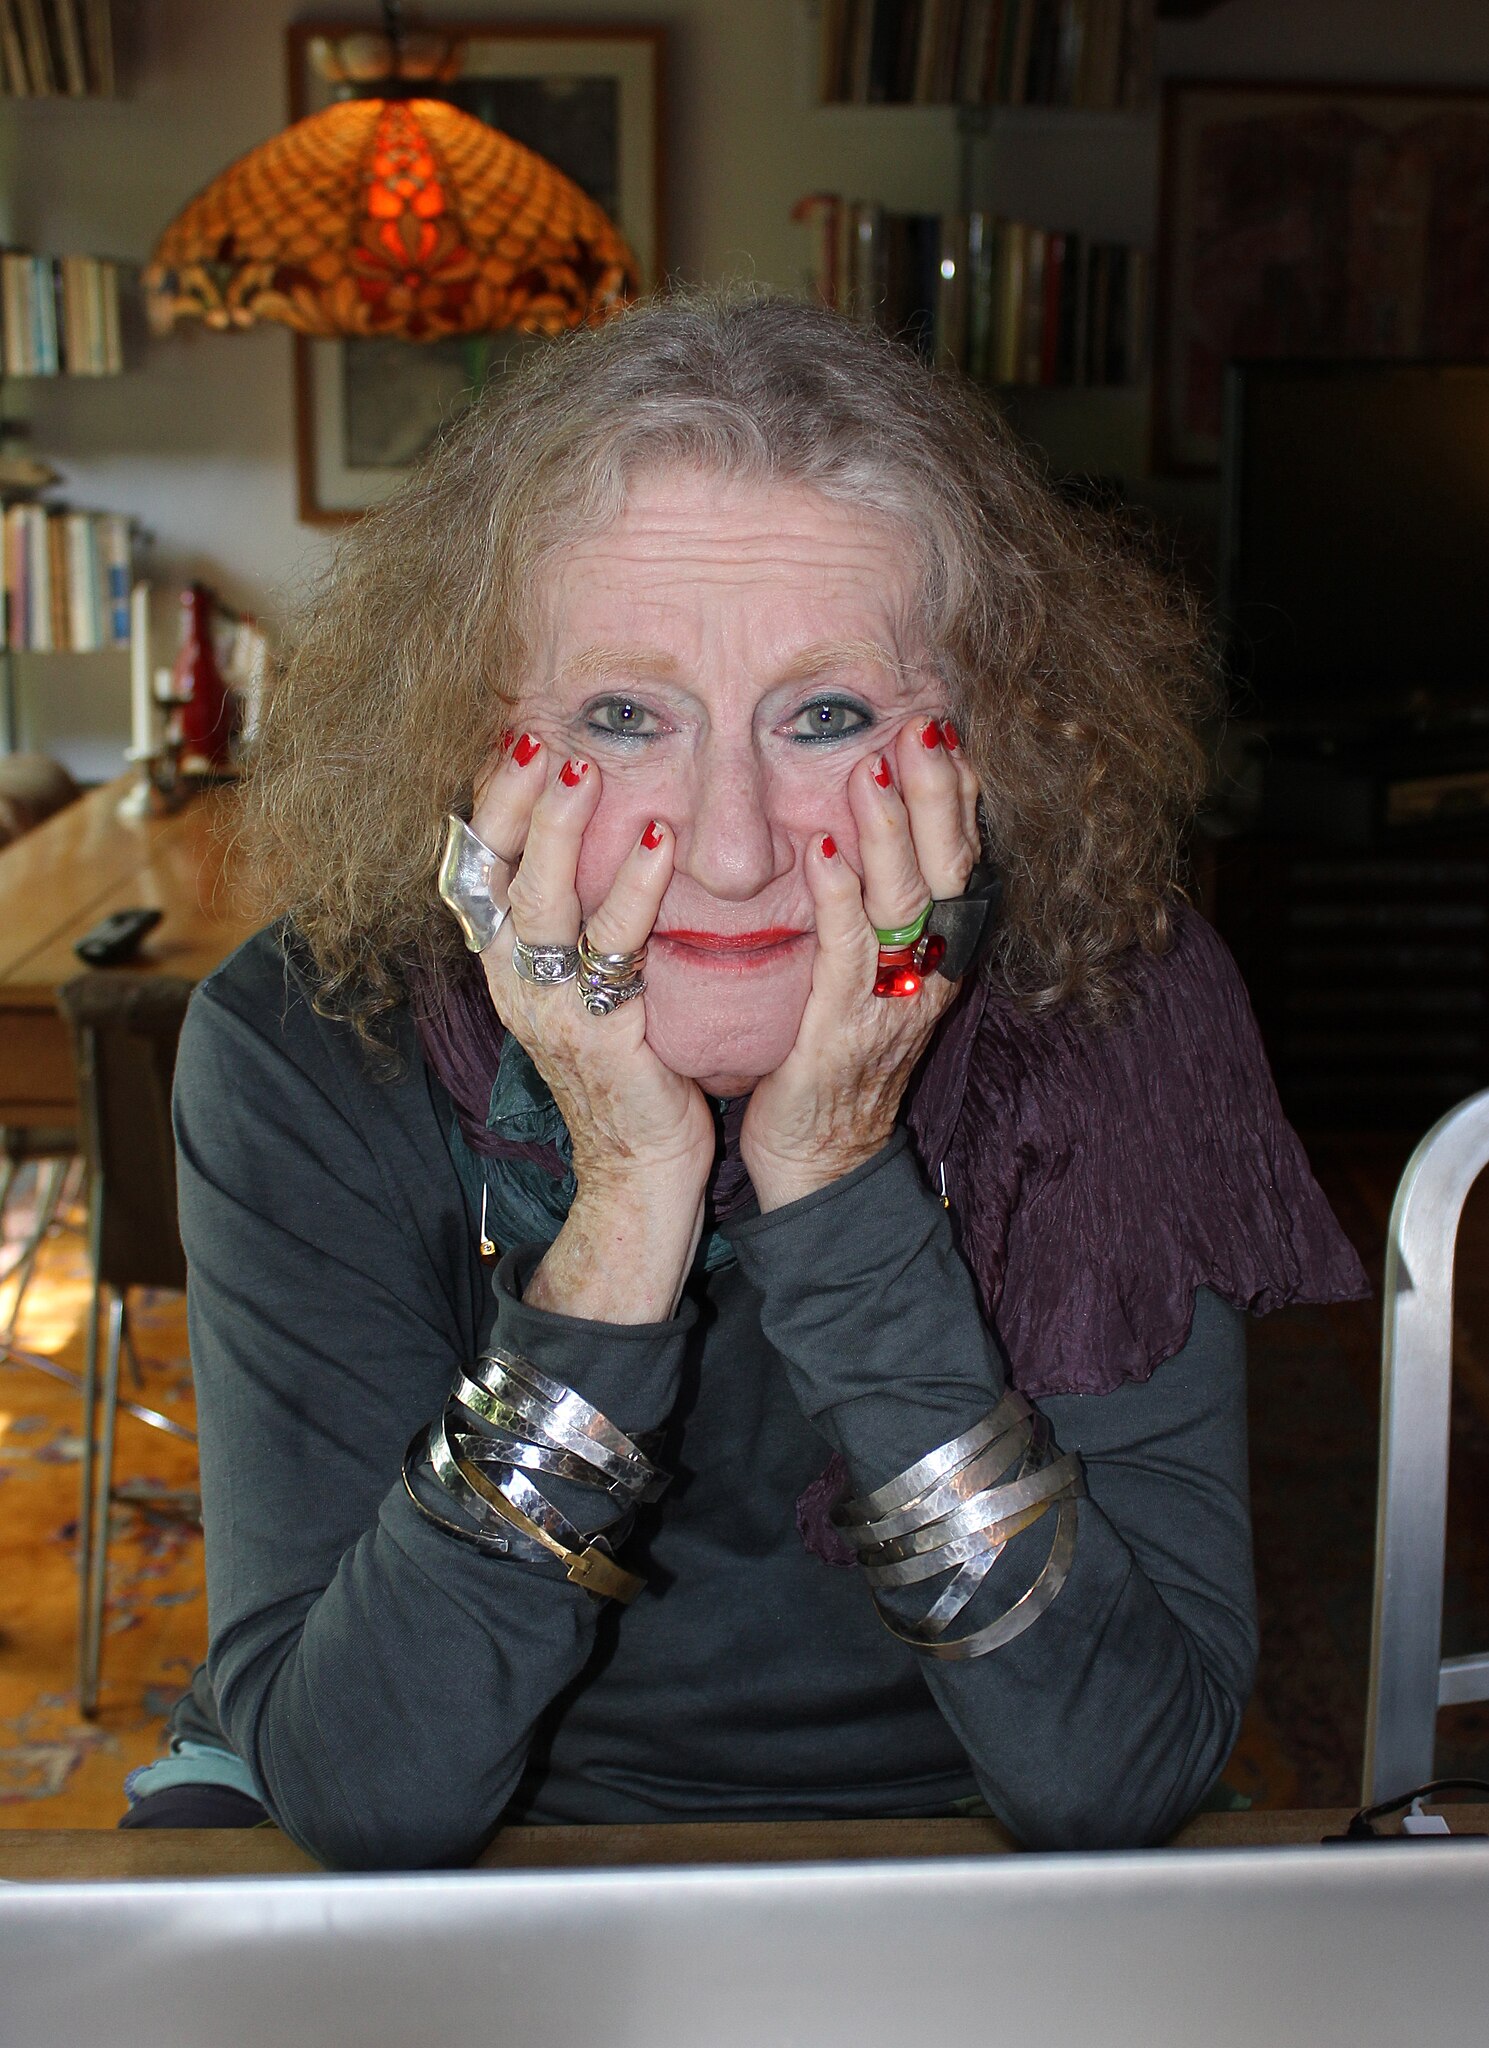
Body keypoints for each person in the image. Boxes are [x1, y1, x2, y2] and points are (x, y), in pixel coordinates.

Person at [125, 292, 1365, 1866]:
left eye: (827, 717)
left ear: (987, 741)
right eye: (621, 717)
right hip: (460, 1814)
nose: (726, 847)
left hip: (954, 1829)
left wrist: (836, 1182)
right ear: (471, 742)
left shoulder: (1114, 1001)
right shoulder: (312, 1035)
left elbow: (1115, 1776)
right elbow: (369, 1790)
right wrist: (623, 1210)